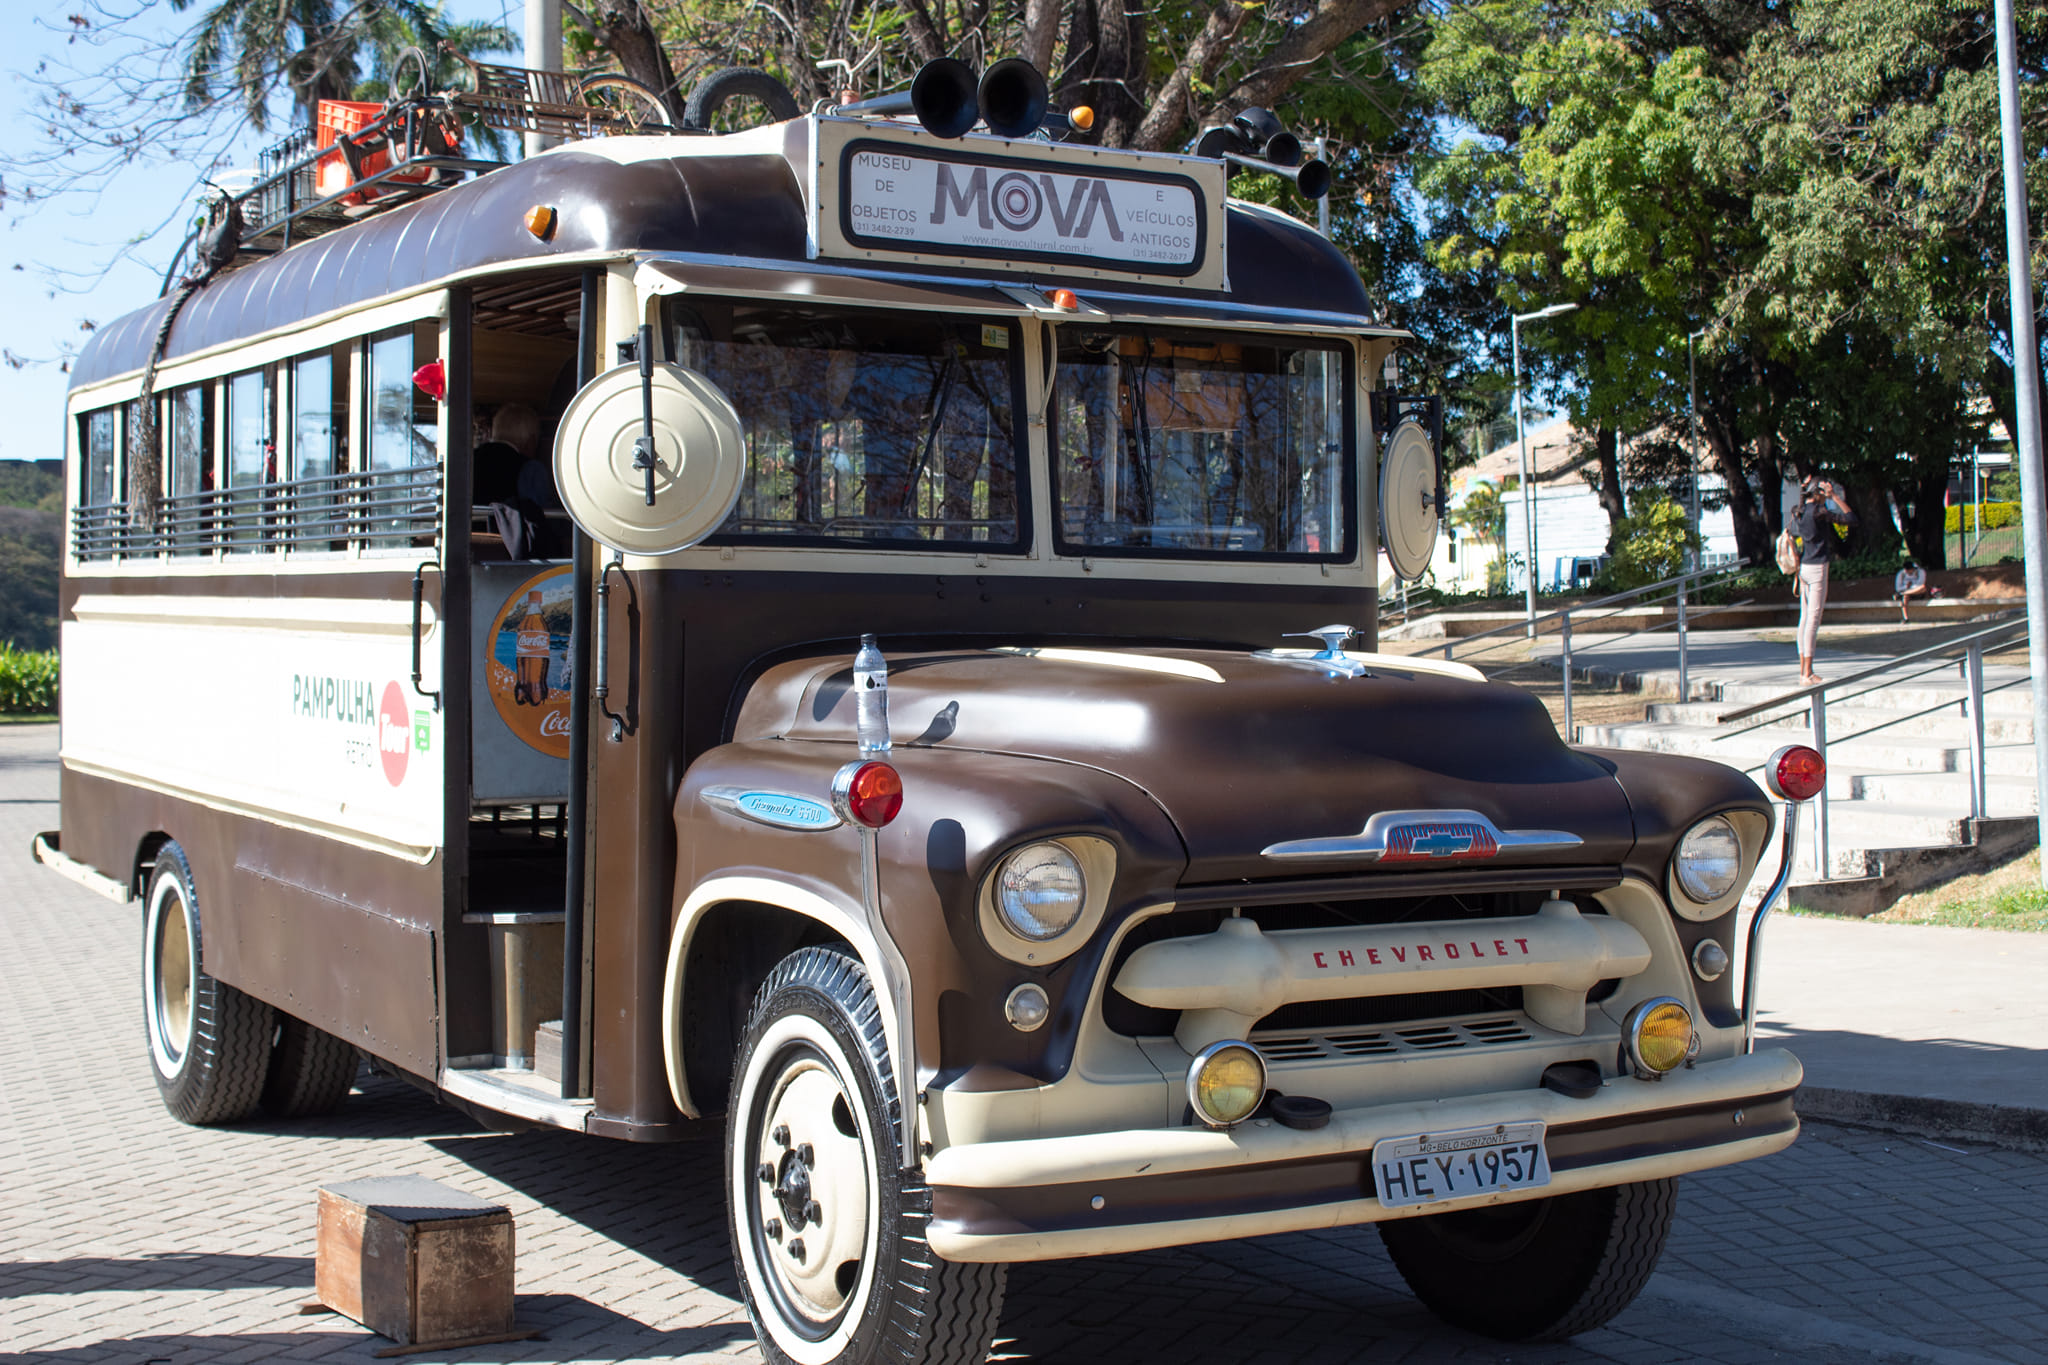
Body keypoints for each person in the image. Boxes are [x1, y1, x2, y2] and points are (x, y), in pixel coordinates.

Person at [1789, 476, 1856, 685]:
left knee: (1804, 619)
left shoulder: (1799, 511)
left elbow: (1804, 502)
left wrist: (1807, 490)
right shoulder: (1819, 513)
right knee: (1813, 621)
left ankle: (1804, 670)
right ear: (1818, 491)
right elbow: (1851, 518)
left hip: (1804, 569)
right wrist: (1834, 496)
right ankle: (1807, 672)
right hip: (1817, 569)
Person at [1895, 557, 1934, 622]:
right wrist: (1906, 587)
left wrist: (1910, 587)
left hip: (1918, 592)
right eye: (1907, 571)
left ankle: (1903, 594)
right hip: (1906, 592)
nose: (1909, 572)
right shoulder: (1901, 574)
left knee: (1922, 588)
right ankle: (1906, 618)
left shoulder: (1920, 572)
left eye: (1910, 570)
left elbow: (1921, 584)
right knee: (1905, 596)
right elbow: (1898, 588)